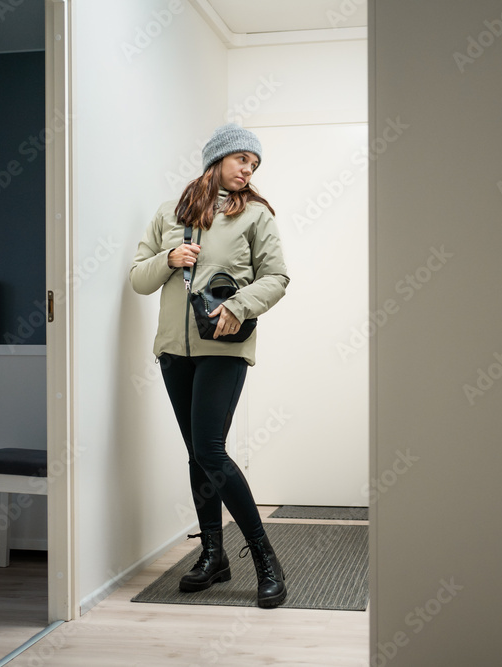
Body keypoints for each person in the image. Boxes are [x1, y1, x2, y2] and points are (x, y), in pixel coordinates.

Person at [129, 124, 290, 608]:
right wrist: (168, 257)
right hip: (174, 351)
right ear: (216, 159)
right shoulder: (169, 214)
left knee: (211, 450)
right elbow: (139, 278)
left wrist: (239, 306)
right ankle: (213, 555)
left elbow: (277, 277)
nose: (248, 169)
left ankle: (264, 558)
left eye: (254, 164)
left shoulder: (256, 215)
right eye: (243, 158)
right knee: (197, 454)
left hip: (224, 348)